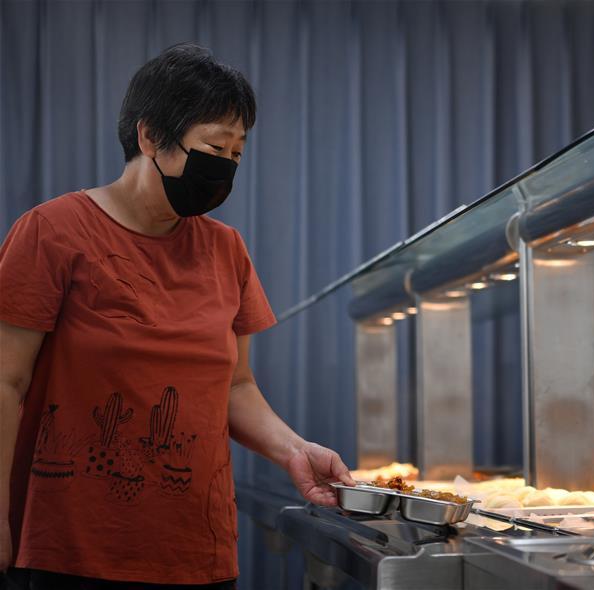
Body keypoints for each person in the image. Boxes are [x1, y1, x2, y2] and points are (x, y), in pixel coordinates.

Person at [0, 44, 354, 589]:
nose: (226, 166)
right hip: (71, 549)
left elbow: (235, 386)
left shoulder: (226, 249)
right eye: (215, 146)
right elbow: (6, 381)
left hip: (195, 549)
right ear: (149, 137)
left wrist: (296, 451)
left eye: (237, 153)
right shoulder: (52, 231)